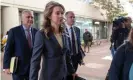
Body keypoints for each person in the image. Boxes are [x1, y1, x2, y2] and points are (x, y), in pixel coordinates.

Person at [29, 1, 75, 80]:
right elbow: (35, 61)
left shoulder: (64, 33)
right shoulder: (41, 34)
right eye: (57, 13)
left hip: (64, 76)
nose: (61, 16)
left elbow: (67, 55)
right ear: (49, 16)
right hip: (49, 77)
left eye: (62, 13)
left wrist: (72, 71)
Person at [3, 10, 38, 80]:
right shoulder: (14, 31)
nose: (30, 19)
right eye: (28, 17)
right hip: (18, 68)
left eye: (32, 17)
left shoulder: (36, 32)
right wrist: (6, 66)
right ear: (22, 19)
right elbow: (8, 49)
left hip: (33, 68)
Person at [64, 11, 85, 80]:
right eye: (71, 17)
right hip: (66, 58)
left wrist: (80, 57)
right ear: (66, 18)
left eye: (74, 17)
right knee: (67, 76)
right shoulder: (61, 29)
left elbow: (78, 45)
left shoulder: (77, 29)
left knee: (73, 75)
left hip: (75, 58)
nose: (73, 19)